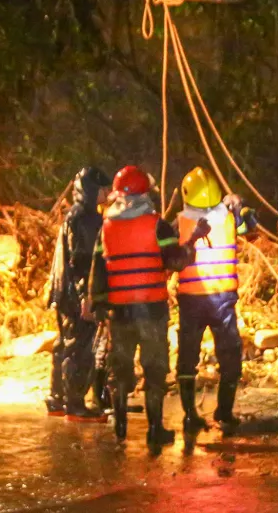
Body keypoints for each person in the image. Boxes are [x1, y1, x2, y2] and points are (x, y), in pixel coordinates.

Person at [86, 165, 208, 452]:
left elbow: (97, 271)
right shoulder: (156, 224)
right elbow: (175, 262)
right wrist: (191, 243)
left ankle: (120, 428)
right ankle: (155, 430)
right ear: (144, 193)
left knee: (120, 371)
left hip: (119, 312)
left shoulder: (105, 227)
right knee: (154, 371)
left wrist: (99, 306)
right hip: (151, 311)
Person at [173, 167, 256, 436]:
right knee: (230, 358)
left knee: (187, 359)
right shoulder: (230, 217)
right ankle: (224, 412)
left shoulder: (179, 223)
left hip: (191, 302)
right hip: (222, 301)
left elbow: (167, 255)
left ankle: (189, 415)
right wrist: (238, 204)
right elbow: (250, 228)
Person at [45, 166, 112, 422]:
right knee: (79, 346)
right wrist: (87, 297)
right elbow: (82, 261)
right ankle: (75, 405)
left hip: (63, 291)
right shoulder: (86, 219)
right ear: (93, 191)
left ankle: (57, 398)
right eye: (103, 189)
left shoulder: (74, 215)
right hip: (76, 294)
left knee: (65, 344)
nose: (107, 194)